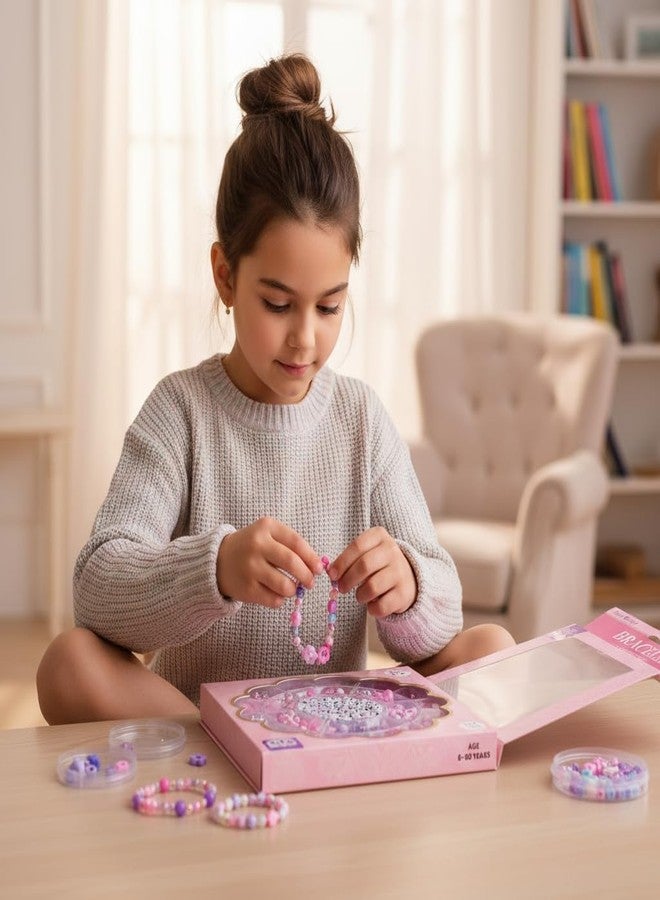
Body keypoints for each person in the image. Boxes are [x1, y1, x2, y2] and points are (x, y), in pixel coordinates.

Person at [37, 53, 514, 725]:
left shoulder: (361, 421)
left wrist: (406, 584)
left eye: (329, 308)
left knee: (493, 646)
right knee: (68, 663)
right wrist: (218, 568)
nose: (305, 341)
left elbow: (444, 619)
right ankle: (235, 747)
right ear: (226, 277)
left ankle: (310, 756)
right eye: (279, 304)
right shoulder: (180, 412)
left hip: (332, 722)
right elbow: (97, 588)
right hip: (198, 724)